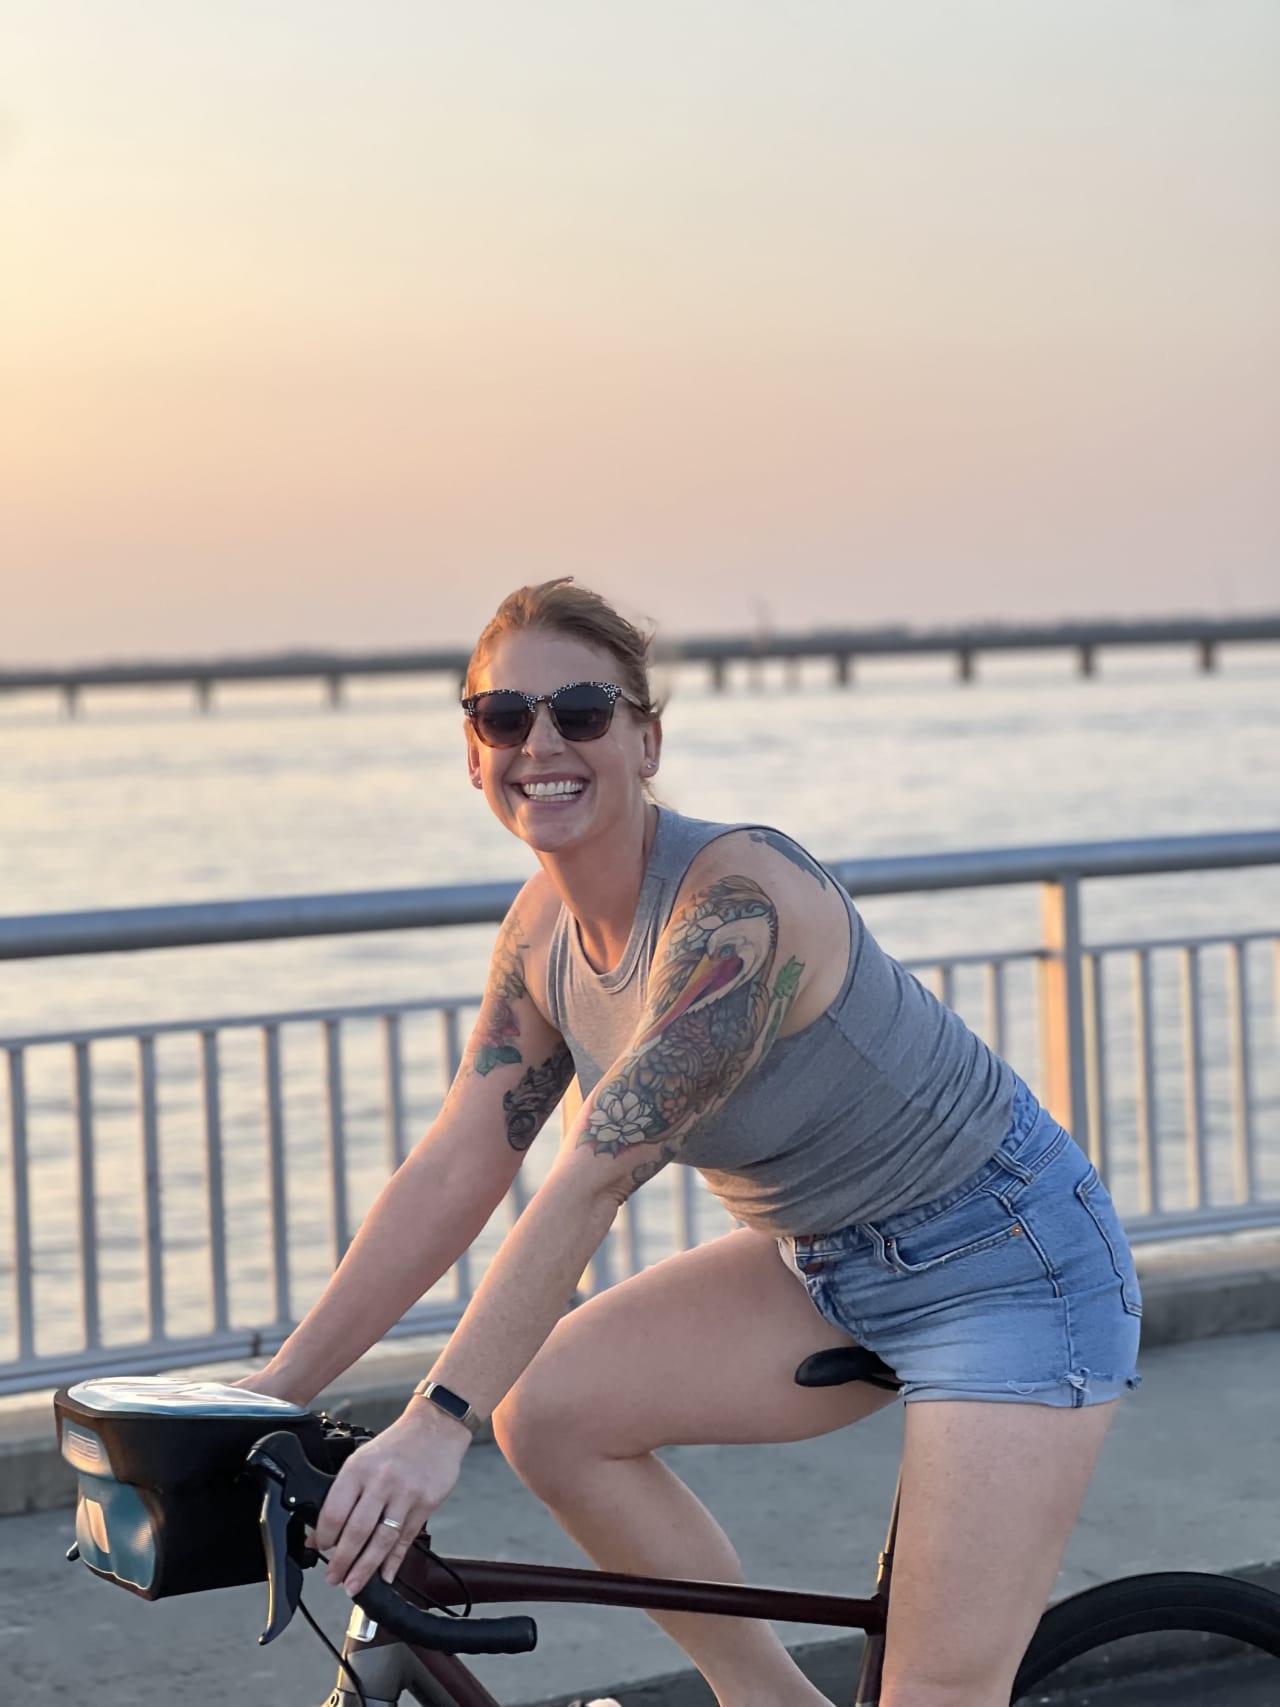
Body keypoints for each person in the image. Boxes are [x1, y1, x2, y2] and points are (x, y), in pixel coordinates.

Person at [237, 578, 1141, 1707]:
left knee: (934, 1694)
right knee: (553, 1414)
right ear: (472, 755)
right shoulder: (540, 934)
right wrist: (273, 1392)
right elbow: (460, 1163)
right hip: (816, 1261)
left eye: (580, 710)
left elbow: (594, 1173)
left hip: (1007, 1262)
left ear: (645, 737)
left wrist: (433, 1423)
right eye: (502, 718)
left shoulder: (736, 906)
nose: (540, 744)